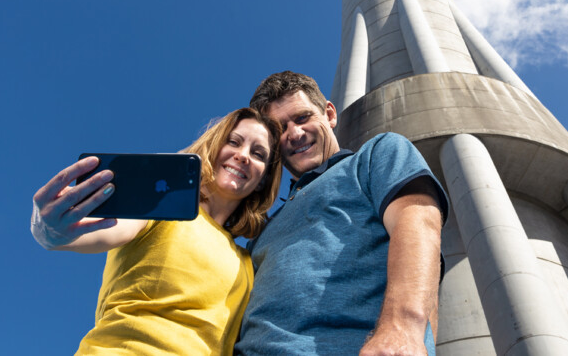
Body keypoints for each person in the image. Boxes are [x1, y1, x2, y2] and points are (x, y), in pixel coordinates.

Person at [30, 108, 283, 356]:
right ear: (214, 146)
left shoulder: (248, 264)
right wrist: (51, 231)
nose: (243, 155)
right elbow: (100, 231)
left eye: (258, 154)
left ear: (263, 179)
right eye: (234, 142)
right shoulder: (157, 207)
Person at [235, 71, 448, 356]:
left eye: (302, 118)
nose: (294, 134)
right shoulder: (262, 231)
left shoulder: (374, 156)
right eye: (280, 129)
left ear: (329, 114)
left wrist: (402, 328)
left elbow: (418, 224)